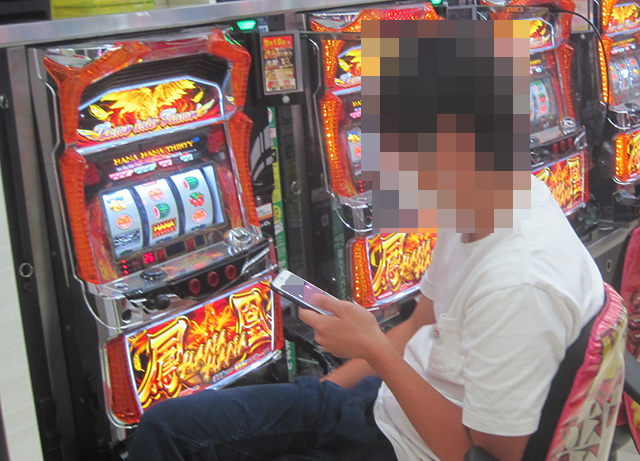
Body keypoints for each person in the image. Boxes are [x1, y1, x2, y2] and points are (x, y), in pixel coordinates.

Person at [127, 21, 604, 461]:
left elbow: (482, 455)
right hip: (381, 402)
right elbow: (416, 325)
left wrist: (373, 349)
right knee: (167, 427)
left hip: (409, 447)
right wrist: (323, 401)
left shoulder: (518, 283)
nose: (375, 173)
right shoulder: (490, 201)